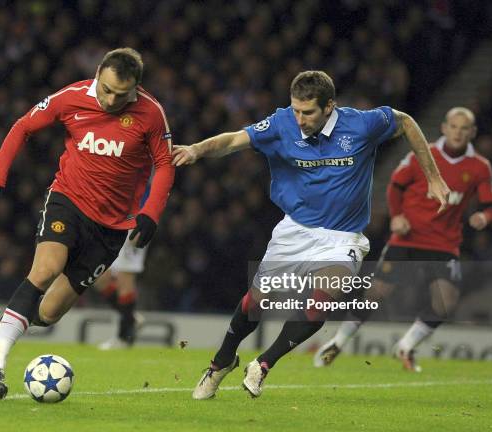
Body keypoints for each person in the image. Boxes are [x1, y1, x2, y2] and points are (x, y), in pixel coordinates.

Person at [172, 70, 450, 399]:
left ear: (329, 106)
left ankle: (262, 365)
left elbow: (405, 122)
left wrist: (433, 177)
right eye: (296, 110)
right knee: (255, 303)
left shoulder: (362, 125)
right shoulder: (281, 123)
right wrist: (197, 150)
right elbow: (234, 140)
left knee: (322, 302)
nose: (300, 119)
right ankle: (221, 363)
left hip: (343, 237)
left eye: (308, 112)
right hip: (295, 231)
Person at [0, 48, 175, 398]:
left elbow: (165, 163)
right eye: (106, 89)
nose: (111, 99)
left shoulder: (151, 113)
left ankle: (3, 327)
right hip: (68, 200)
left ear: (136, 88)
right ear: (98, 73)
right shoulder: (71, 98)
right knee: (45, 269)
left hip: (112, 227)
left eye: (120, 94)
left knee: (49, 313)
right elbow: (23, 127)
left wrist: (151, 212)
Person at [314, 107, 492, 371]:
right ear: (444, 128)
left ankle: (406, 346)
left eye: (464, 128)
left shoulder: (480, 167)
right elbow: (395, 186)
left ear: (473, 132)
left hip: (444, 243)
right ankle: (338, 342)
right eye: (453, 126)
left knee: (445, 302)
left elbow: (490, 206)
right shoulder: (423, 154)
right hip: (407, 238)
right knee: (375, 294)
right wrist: (396, 216)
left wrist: (484, 218)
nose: (458, 132)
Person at [92, 230, 148, 350]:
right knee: (99, 277)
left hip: (134, 224)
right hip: (114, 224)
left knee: (125, 280)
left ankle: (123, 337)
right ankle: (131, 317)